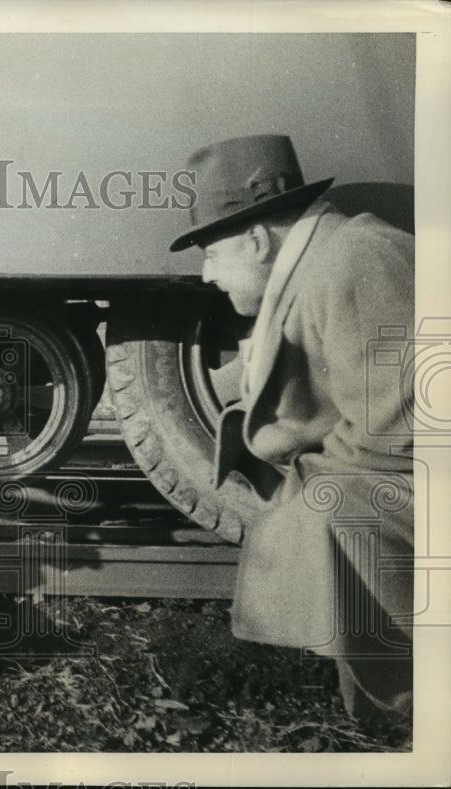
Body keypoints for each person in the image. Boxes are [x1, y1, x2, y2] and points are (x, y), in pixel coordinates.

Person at [170, 135, 414, 722]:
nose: (206, 276)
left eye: (210, 254)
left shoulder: (354, 263)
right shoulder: (333, 258)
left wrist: (309, 469)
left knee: (330, 505)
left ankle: (416, 703)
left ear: (257, 241)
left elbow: (405, 441)